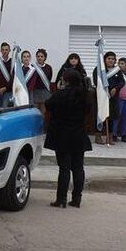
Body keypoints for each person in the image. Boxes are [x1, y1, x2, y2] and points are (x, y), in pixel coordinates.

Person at [45, 68, 92, 209]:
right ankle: (77, 199)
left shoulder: (61, 94)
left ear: (65, 80)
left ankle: (61, 200)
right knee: (78, 168)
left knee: (64, 168)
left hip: (62, 135)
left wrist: (59, 90)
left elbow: (48, 105)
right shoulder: (85, 95)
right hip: (78, 135)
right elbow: (88, 111)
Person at [92, 51, 124, 144]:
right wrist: (104, 89)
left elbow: (121, 82)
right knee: (100, 116)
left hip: (113, 98)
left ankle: (109, 136)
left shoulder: (117, 70)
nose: (111, 60)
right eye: (109, 58)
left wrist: (115, 88)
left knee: (111, 117)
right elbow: (96, 80)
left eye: (113, 59)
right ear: (104, 59)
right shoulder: (98, 69)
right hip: (101, 96)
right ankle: (98, 136)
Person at [31, 49, 53, 114]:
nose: (39, 58)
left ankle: (41, 124)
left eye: (41, 56)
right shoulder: (32, 67)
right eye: (38, 56)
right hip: (35, 92)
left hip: (45, 92)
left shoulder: (48, 67)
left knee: (42, 113)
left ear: (45, 57)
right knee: (34, 113)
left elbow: (49, 78)